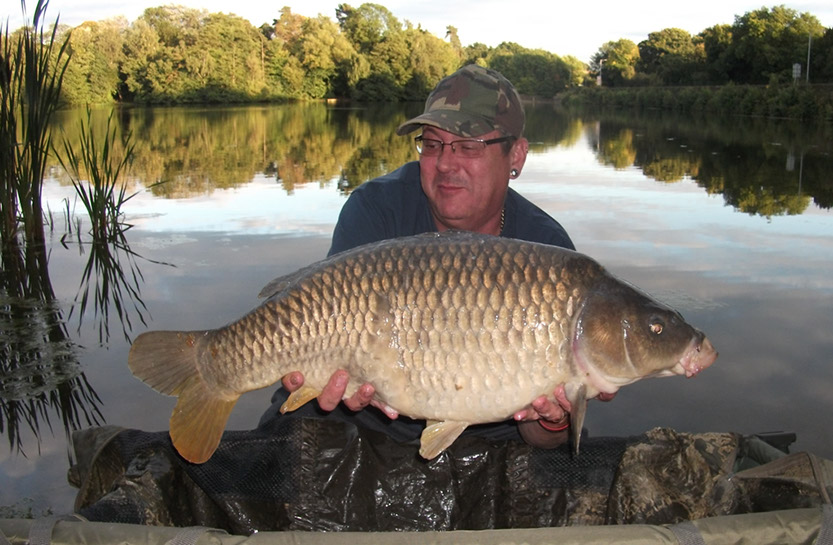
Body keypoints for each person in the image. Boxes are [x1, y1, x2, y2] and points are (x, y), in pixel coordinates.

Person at [262, 64, 608, 449]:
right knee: (297, 423)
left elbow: (540, 438)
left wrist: (554, 420)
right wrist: (320, 380)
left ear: (517, 156)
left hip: (492, 430)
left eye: (469, 146)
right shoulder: (376, 208)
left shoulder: (548, 253)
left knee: (561, 457)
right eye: (432, 144)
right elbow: (315, 319)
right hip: (371, 417)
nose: (445, 163)